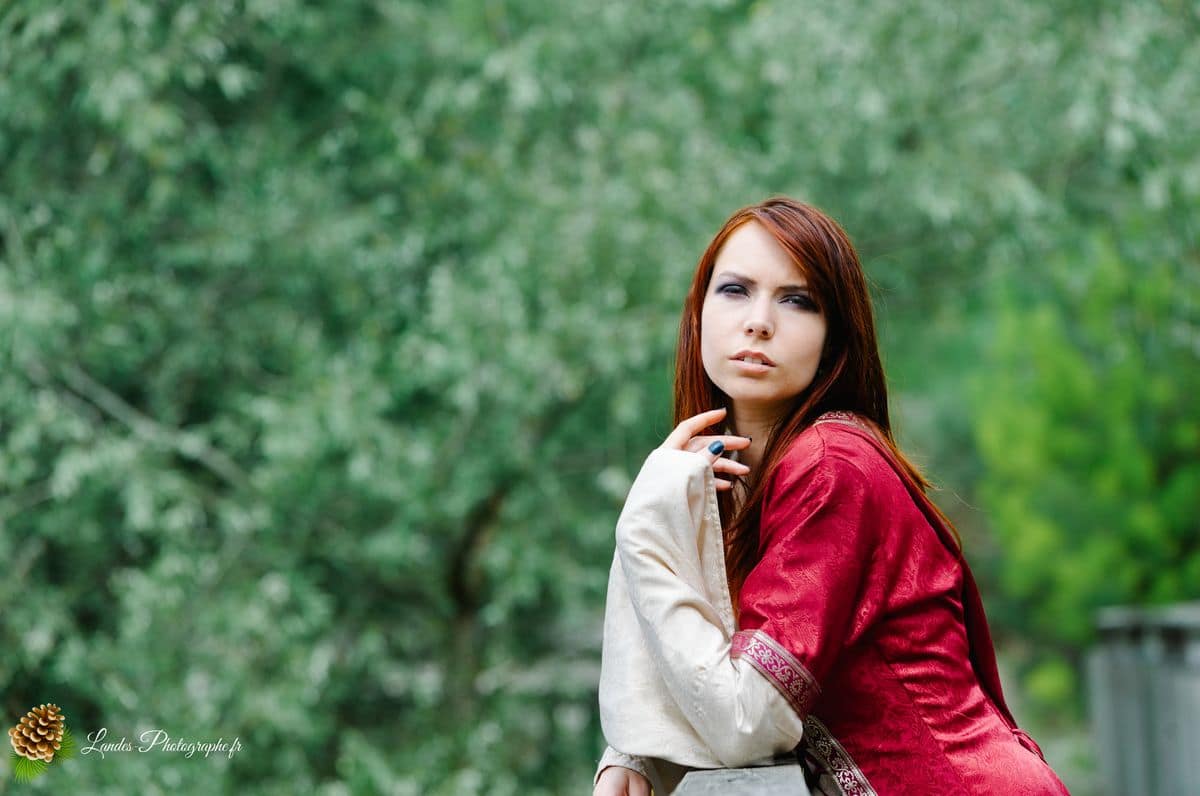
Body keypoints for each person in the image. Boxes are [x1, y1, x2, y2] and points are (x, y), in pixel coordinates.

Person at [593, 197, 1070, 795]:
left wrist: (642, 528)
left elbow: (745, 719)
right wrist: (634, 750)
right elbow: (709, 648)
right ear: (699, 314)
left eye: (798, 300)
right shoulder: (730, 482)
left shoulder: (831, 466)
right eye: (735, 290)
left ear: (834, 336)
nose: (759, 321)